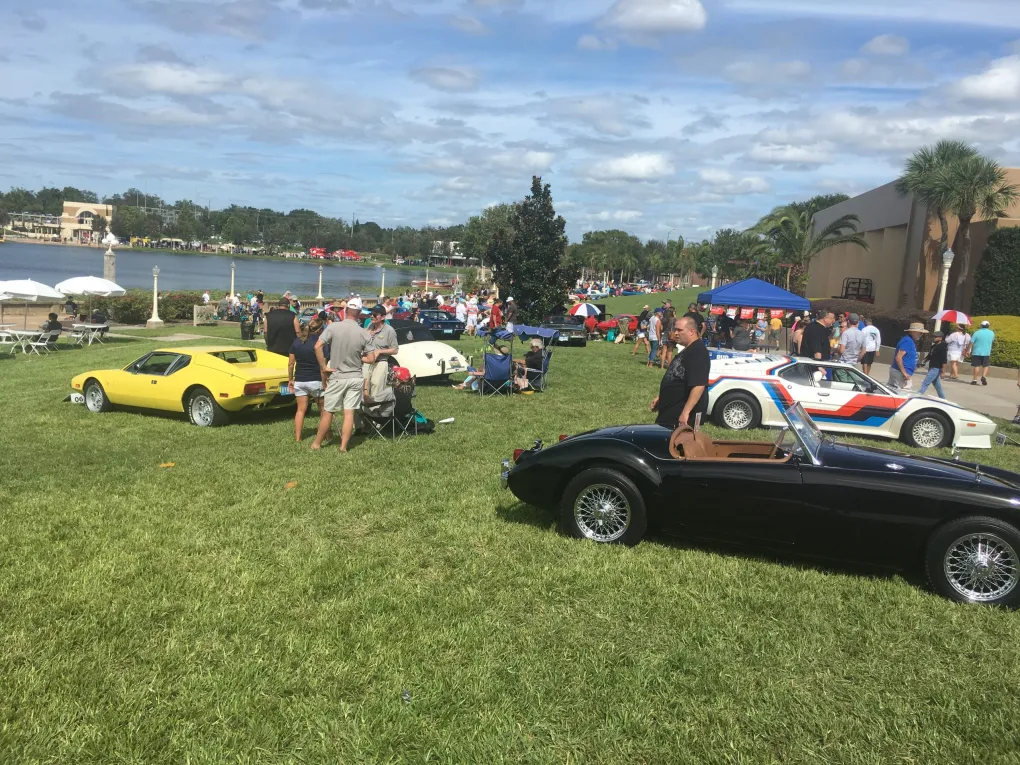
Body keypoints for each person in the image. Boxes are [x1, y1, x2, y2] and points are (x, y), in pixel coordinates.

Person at [312, 298, 371, 453]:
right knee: (349, 413)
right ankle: (343, 447)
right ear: (359, 314)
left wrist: (324, 366)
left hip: (338, 375)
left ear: (345, 311)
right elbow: (370, 358)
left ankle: (317, 443)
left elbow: (317, 346)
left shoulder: (334, 327)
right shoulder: (363, 333)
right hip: (356, 376)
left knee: (328, 412)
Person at [650, 317, 710, 429]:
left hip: (681, 416)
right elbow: (677, 376)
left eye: (679, 330)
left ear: (691, 331)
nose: (675, 333)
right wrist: (661, 397)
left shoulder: (698, 352)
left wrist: (685, 412)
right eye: (675, 329)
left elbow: (699, 385)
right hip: (670, 412)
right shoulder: (688, 349)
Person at [288, 317, 326, 442]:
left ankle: (298, 438)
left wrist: (290, 379)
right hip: (316, 380)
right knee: (324, 411)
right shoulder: (320, 343)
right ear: (320, 329)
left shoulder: (297, 341)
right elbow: (323, 365)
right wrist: (325, 382)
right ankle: (327, 435)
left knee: (300, 410)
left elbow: (291, 363)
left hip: (300, 379)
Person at [363, 304, 399, 403]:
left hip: (381, 362)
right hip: (367, 362)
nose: (372, 316)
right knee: (364, 387)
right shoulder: (369, 326)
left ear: (382, 317)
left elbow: (395, 350)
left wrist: (380, 351)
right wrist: (366, 335)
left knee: (376, 387)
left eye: (375, 315)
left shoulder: (389, 331)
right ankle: (364, 412)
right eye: (371, 314)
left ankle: (375, 412)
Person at [888, 322, 926, 390]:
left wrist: (913, 366)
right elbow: (898, 358)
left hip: (899, 372)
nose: (921, 335)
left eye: (921, 333)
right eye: (920, 332)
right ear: (912, 332)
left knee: (893, 392)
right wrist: (904, 373)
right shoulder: (907, 341)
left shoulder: (909, 340)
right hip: (900, 373)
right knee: (904, 394)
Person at [918, 331, 948, 399]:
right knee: (937, 385)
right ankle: (943, 399)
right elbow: (929, 356)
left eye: (935, 337)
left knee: (925, 383)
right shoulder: (934, 346)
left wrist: (943, 371)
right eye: (933, 337)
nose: (933, 338)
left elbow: (944, 360)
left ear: (940, 338)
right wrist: (923, 361)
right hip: (932, 367)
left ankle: (918, 395)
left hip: (936, 368)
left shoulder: (942, 347)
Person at [969, 320, 995, 386]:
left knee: (977, 366)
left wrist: (968, 350)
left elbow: (971, 342)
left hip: (976, 352)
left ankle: (974, 380)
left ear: (981, 325)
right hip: (986, 352)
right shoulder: (992, 333)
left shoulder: (977, 333)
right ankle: (983, 376)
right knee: (986, 365)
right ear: (988, 326)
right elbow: (992, 341)